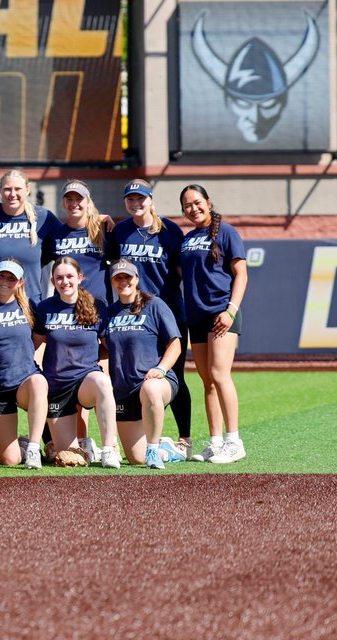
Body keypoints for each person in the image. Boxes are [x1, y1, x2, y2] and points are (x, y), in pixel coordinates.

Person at [108, 179, 193, 457]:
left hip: (165, 311)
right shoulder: (120, 231)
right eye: (130, 199)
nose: (136, 203)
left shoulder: (169, 230)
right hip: (131, 316)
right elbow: (110, 265)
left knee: (172, 373)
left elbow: (182, 271)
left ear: (151, 199)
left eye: (141, 198)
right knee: (133, 374)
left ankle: (184, 438)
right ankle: (148, 435)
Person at [179, 184, 249, 464]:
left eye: (197, 202)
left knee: (220, 375)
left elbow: (241, 274)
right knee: (207, 381)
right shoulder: (187, 239)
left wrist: (230, 310)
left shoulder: (227, 232)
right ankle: (216, 442)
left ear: (208, 202)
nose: (193, 208)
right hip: (195, 317)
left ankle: (234, 442)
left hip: (220, 313)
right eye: (187, 205)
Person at [32, 257, 120, 469]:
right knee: (71, 458)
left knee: (102, 382)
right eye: (59, 278)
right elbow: (33, 347)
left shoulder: (97, 305)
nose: (65, 282)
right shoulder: (45, 308)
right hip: (57, 386)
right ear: (53, 281)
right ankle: (80, 445)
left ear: (80, 277)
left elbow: (110, 345)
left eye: (70, 276)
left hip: (85, 381)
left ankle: (109, 449)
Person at [101, 259, 186, 470]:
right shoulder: (109, 312)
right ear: (112, 282)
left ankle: (154, 447)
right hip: (124, 390)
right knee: (135, 459)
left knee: (150, 388)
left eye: (128, 277)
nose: (123, 282)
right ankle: (168, 449)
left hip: (157, 381)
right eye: (118, 278)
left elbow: (175, 344)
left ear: (136, 279)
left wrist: (161, 369)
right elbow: (105, 347)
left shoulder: (154, 304)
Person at [0, 259, 48, 469]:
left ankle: (33, 448)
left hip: (24, 381)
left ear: (21, 282)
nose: (5, 281)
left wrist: (21, 356)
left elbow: (39, 339)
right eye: (2, 276)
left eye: (11, 278)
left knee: (39, 383)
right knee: (10, 460)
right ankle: (21, 446)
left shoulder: (29, 307)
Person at [0, 169, 62, 301]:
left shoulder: (43, 218)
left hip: (28, 307)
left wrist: (97, 221)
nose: (12, 194)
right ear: (0, 191)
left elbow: (69, 238)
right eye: (7, 189)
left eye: (18, 189)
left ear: (27, 190)